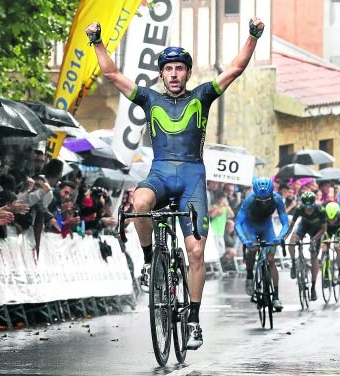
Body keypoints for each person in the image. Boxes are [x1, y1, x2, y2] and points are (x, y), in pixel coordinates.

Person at [86, 16, 265, 350]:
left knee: (195, 250)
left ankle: (194, 321)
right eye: (168, 69)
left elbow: (235, 69)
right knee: (139, 204)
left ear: (187, 73)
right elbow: (111, 74)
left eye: (179, 68)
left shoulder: (202, 96)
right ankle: (151, 259)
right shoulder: (149, 99)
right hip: (160, 174)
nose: (173, 74)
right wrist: (96, 41)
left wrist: (253, 36)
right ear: (161, 74)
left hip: (193, 179)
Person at [234, 177, 289, 311]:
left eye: (266, 199)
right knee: (252, 249)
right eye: (260, 199)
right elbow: (238, 223)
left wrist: (280, 237)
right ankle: (249, 275)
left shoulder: (277, 199)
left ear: (271, 194)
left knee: (271, 260)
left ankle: (275, 296)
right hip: (250, 226)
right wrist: (244, 240)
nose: (264, 203)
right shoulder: (249, 199)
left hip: (266, 226)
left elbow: (285, 223)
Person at [283, 191, 327, 302]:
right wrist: (284, 238)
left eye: (310, 208)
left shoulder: (321, 210)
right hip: (304, 226)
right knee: (292, 242)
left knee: (314, 256)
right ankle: (294, 264)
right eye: (306, 208)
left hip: (317, 230)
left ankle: (313, 287)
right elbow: (291, 226)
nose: (308, 210)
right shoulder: (299, 208)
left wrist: (314, 239)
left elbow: (323, 229)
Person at [321, 202, 340, 284]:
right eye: (329, 219)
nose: (331, 221)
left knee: (337, 247)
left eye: (333, 219)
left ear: (337, 215)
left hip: (338, 231)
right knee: (324, 248)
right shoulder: (322, 215)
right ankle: (325, 273)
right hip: (326, 230)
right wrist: (322, 242)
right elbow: (320, 230)